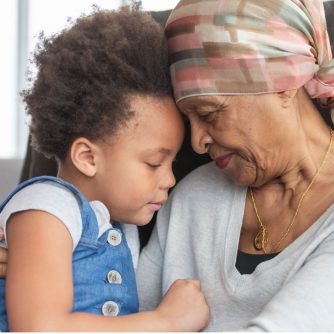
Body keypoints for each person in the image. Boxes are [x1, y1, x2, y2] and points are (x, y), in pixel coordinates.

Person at [0, 7, 210, 332]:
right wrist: (165, 321)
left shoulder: (118, 228)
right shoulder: (46, 209)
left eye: (173, 164)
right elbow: (39, 327)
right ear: (87, 157)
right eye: (154, 163)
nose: (169, 179)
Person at [137, 0, 334, 331]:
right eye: (189, 120)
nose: (197, 142)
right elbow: (123, 316)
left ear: (284, 84)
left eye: (210, 113)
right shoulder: (192, 197)